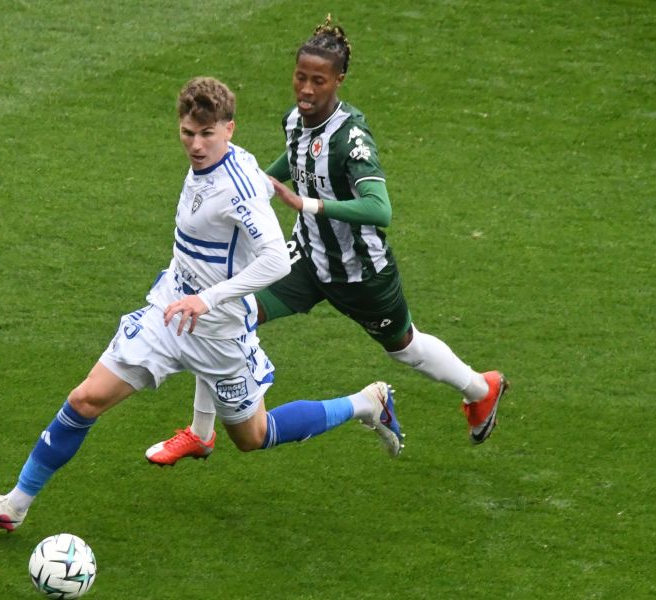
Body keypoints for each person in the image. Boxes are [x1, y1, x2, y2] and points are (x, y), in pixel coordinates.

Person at [0, 77, 403, 531]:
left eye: (207, 134)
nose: (196, 145)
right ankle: (15, 503)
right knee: (86, 398)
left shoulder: (239, 187)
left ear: (229, 129)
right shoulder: (215, 165)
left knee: (253, 436)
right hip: (168, 314)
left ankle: (366, 403)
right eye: (188, 133)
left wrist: (207, 299)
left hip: (221, 335)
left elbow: (275, 260)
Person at [145, 18, 508, 467]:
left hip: (360, 272)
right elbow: (295, 156)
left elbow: (380, 209)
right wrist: (253, 184)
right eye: (301, 77)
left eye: (319, 80)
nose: (307, 89)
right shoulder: (294, 120)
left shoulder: (352, 138)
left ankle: (481, 388)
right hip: (305, 258)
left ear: (339, 80)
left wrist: (307, 204)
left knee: (406, 348)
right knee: (224, 311)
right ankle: (201, 433)